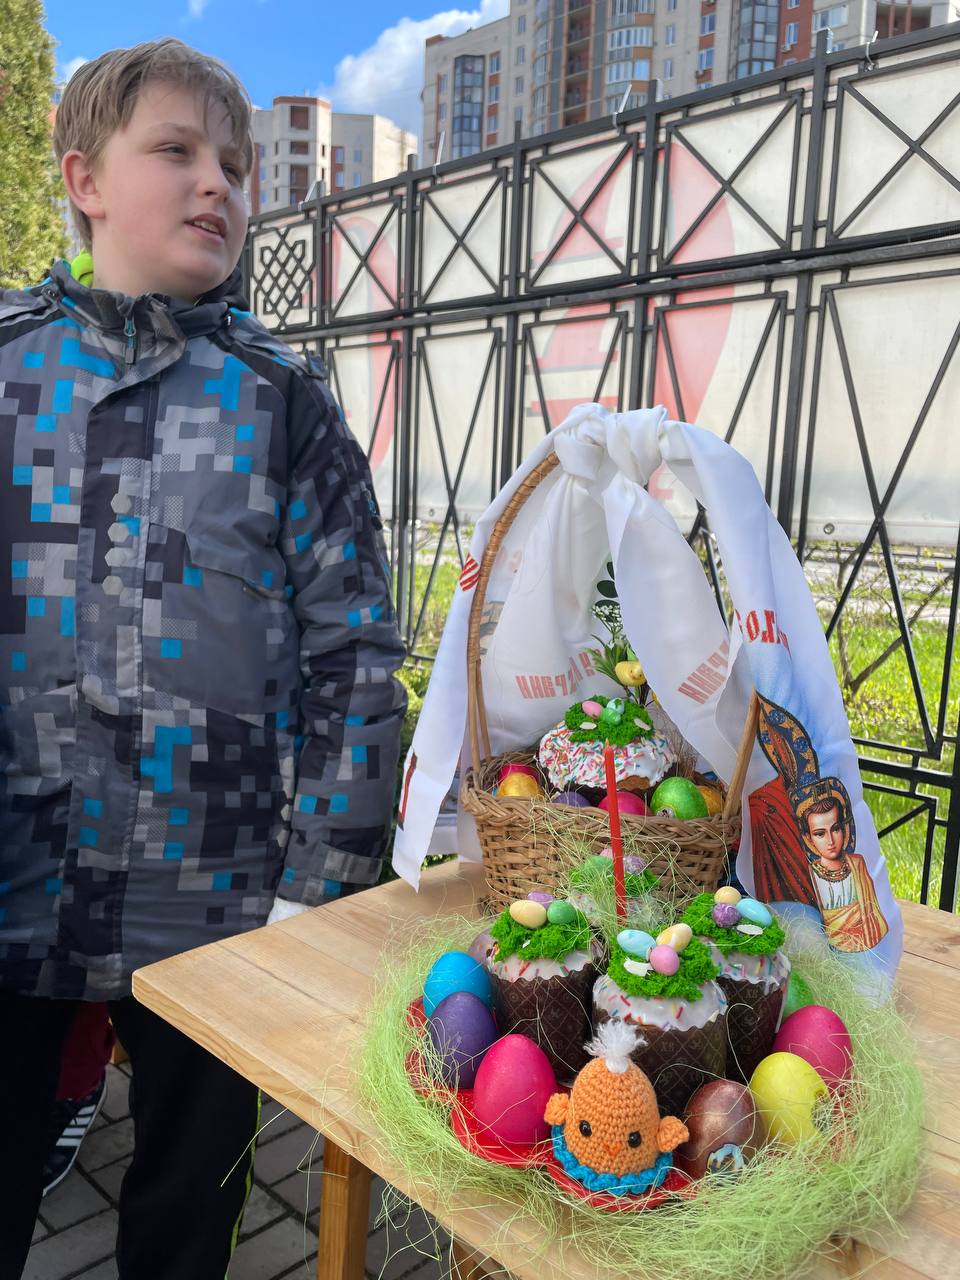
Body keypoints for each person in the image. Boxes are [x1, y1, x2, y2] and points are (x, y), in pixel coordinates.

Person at [0, 38, 405, 1279]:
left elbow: (355, 655)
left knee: (189, 1216)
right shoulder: (7, 368)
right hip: (15, 884)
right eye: (175, 150)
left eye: (235, 162)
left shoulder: (283, 401)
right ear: (85, 177)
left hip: (219, 912)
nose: (217, 182)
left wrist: (313, 900)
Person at [796, 789, 889, 953]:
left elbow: (873, 915)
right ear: (809, 838)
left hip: (868, 950)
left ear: (844, 829)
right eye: (820, 834)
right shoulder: (809, 874)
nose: (830, 841)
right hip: (828, 953)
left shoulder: (858, 864)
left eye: (835, 829)